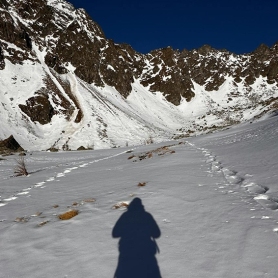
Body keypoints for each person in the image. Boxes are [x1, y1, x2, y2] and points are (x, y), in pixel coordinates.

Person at [112, 198, 162, 278]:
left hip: (127, 251)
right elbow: (157, 234)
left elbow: (115, 233)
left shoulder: (125, 216)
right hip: (146, 252)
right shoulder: (147, 216)